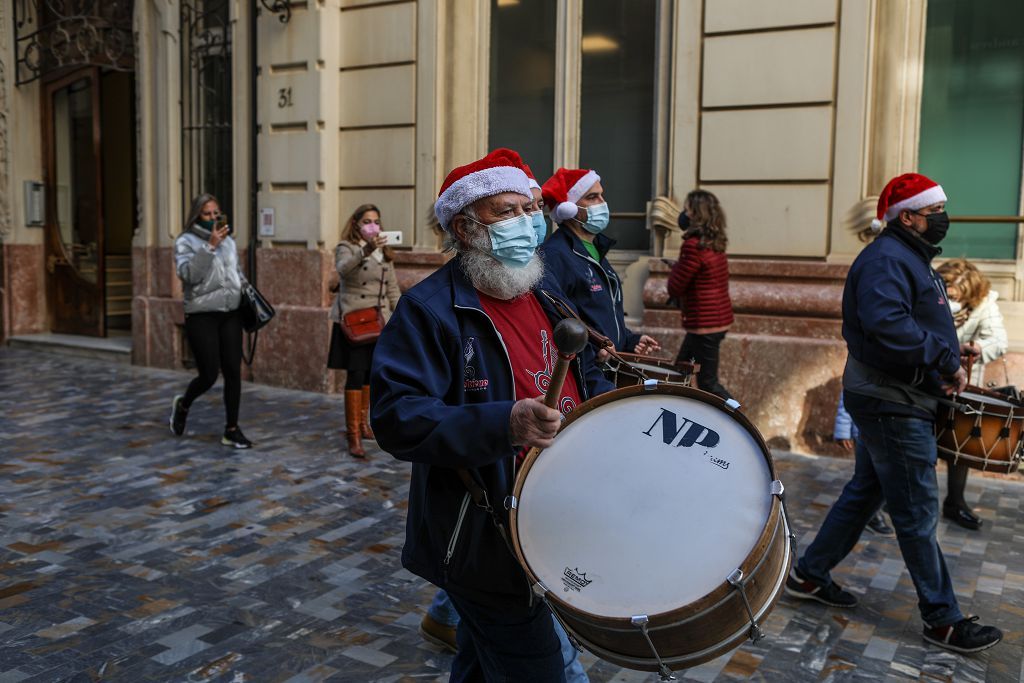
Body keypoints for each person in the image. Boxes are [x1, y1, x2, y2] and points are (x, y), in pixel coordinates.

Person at [371, 149, 614, 681]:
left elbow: (583, 369)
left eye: (531, 209)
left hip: (549, 516)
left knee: (482, 665)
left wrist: (603, 412)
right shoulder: (430, 309)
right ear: (464, 225)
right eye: (507, 211)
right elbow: (395, 415)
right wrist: (504, 424)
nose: (527, 222)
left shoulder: (542, 288)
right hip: (486, 534)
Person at [785, 173, 1001, 655]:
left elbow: (910, 325)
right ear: (909, 216)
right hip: (891, 403)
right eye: (936, 210)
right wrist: (943, 359)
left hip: (898, 396)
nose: (944, 218)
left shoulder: (908, 257)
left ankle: (808, 574)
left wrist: (948, 355)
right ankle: (942, 619)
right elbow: (889, 327)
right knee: (917, 511)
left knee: (866, 492)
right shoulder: (887, 259)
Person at [539, 167, 660, 358]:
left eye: (601, 196)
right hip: (588, 372)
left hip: (609, 367)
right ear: (569, 208)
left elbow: (602, 317)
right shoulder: (556, 255)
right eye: (592, 197)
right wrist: (595, 351)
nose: (602, 203)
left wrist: (630, 341)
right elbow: (559, 322)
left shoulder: (595, 248)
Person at [169, 193, 252, 449]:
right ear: (197, 215)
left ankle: (231, 429)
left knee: (233, 372)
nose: (213, 218)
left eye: (216, 213)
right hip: (201, 314)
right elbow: (188, 275)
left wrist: (246, 293)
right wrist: (210, 247)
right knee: (208, 375)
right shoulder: (185, 241)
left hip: (230, 313)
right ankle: (183, 404)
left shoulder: (229, 242)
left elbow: (235, 273)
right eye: (207, 214)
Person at [935, 258, 1009, 530]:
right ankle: (906, 506)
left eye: (956, 296)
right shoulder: (928, 297)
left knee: (959, 446)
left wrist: (976, 347)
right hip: (925, 378)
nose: (952, 301)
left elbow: (998, 340)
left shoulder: (984, 303)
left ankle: (955, 503)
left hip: (962, 382)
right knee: (920, 447)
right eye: (948, 294)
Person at [328, 204, 401, 458]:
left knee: (372, 375)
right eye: (367, 221)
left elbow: (392, 288)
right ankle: (353, 435)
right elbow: (343, 269)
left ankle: (364, 424)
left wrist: (399, 315)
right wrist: (366, 250)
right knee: (356, 375)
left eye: (377, 221)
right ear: (356, 224)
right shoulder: (346, 247)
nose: (373, 225)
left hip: (379, 321)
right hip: (355, 322)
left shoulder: (384, 251)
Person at [666, 190, 734, 400]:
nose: (683, 214)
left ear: (696, 214)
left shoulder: (693, 245)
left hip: (704, 324)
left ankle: (740, 418)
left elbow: (676, 287)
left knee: (707, 382)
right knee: (681, 371)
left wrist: (676, 269)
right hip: (715, 320)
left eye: (687, 210)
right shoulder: (715, 242)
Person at [833, 392, 894, 536]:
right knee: (868, 478)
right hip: (862, 431)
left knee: (884, 476)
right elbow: (847, 398)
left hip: (883, 430)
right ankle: (872, 516)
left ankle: (879, 507)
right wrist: (843, 431)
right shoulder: (860, 371)